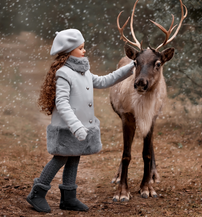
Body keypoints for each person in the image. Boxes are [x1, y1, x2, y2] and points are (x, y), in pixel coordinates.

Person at [26, 29, 134, 213]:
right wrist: (75, 126)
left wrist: (132, 66)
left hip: (81, 127)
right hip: (68, 127)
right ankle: (37, 193)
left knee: (74, 158)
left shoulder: (82, 71)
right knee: (59, 158)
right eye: (81, 48)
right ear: (69, 51)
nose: (84, 51)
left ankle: (68, 198)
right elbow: (61, 103)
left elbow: (103, 80)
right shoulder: (64, 73)